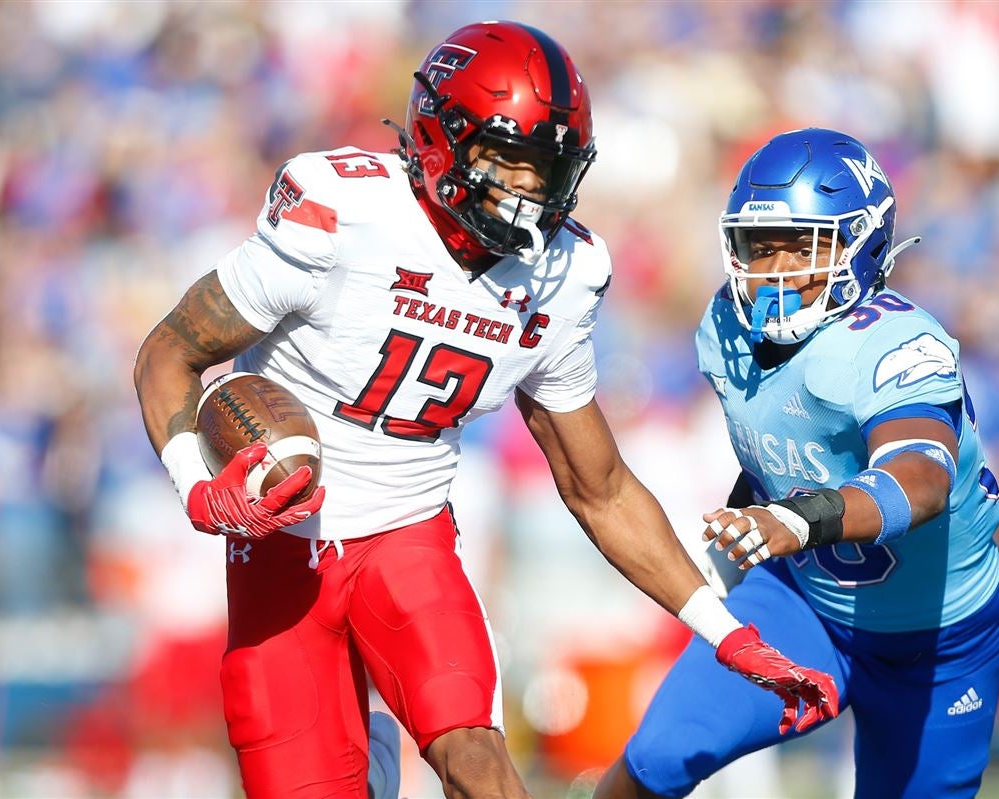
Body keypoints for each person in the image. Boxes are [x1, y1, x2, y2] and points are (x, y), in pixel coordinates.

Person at [133, 22, 837, 799]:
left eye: (548, 168)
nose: (529, 191)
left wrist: (726, 631)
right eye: (509, 159)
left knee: (477, 760)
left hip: (407, 536)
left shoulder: (563, 275)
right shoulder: (343, 214)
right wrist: (196, 486)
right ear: (442, 137)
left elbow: (598, 486)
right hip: (280, 549)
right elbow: (170, 350)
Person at [594, 128, 999, 799]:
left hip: (939, 639)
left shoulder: (895, 340)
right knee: (656, 756)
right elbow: (780, 451)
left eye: (802, 245)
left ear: (862, 244)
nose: (776, 270)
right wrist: (748, 531)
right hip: (804, 599)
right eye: (762, 247)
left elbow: (920, 480)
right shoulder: (729, 329)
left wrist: (798, 517)